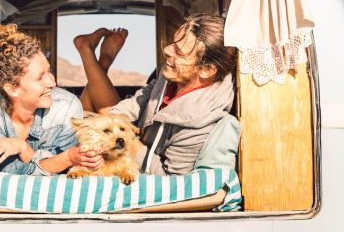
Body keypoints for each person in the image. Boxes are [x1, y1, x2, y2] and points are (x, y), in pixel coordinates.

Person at [74, 13, 239, 175]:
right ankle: (96, 57)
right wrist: (118, 119)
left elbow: (166, 177)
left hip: (139, 164)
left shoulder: (200, 123)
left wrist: (127, 137)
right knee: (95, 120)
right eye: (173, 43)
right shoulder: (174, 73)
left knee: (90, 119)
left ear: (206, 70)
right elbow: (145, 95)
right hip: (139, 135)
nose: (167, 50)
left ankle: (92, 54)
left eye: (179, 52)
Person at [0, 22, 103, 175]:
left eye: (49, 71)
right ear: (12, 89)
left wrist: (23, 147)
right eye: (40, 77)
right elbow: (8, 172)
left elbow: (65, 172)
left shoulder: (67, 107)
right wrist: (66, 158)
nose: (52, 82)